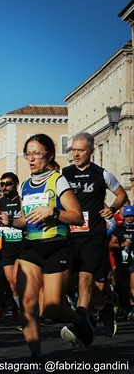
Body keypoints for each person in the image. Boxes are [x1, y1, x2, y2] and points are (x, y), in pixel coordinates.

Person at [0, 134, 90, 363]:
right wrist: (10, 221)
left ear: (49, 155)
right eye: (28, 153)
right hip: (30, 247)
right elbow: (26, 221)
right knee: (27, 302)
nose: (31, 158)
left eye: (36, 153)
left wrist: (53, 212)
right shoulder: (26, 186)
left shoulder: (58, 180)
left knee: (53, 308)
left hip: (57, 245)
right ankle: (35, 356)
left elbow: (77, 216)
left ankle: (79, 320)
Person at [62, 132, 128, 338]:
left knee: (84, 280)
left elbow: (121, 195)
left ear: (91, 150)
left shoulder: (102, 174)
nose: (76, 154)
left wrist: (113, 209)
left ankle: (82, 325)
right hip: (70, 235)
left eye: (81, 150)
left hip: (93, 234)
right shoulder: (64, 173)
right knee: (69, 282)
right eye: (73, 150)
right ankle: (105, 306)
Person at [0, 172, 23, 321]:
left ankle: (24, 311)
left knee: (18, 279)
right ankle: (18, 307)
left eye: (8, 184)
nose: (4, 187)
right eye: (2, 184)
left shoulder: (21, 202)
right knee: (12, 282)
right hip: (6, 247)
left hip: (21, 245)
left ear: (16, 184)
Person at [108, 205, 134, 319]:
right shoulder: (119, 229)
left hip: (133, 261)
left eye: (131, 216)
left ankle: (132, 308)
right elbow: (111, 245)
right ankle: (124, 306)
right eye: (127, 216)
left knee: (133, 285)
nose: (129, 219)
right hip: (121, 261)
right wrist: (122, 245)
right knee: (123, 287)